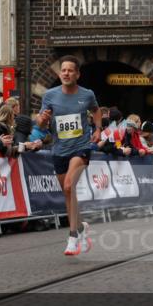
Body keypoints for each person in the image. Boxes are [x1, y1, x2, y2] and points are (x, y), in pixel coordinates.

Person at [39, 56, 101, 256]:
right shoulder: (49, 95)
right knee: (68, 193)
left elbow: (96, 110)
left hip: (81, 147)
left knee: (68, 186)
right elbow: (40, 124)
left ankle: (73, 236)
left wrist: (98, 128)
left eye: (70, 70)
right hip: (59, 150)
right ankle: (82, 228)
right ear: (59, 74)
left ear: (77, 74)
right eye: (63, 70)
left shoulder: (87, 94)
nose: (66, 73)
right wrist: (43, 119)